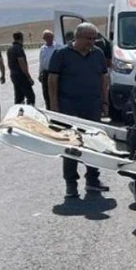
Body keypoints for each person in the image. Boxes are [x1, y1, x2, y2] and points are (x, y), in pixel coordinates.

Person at [48, 22, 111, 198]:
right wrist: (54, 105)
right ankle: (71, 183)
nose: (92, 42)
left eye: (94, 38)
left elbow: (103, 79)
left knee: (93, 144)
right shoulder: (61, 54)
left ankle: (92, 180)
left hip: (92, 106)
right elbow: (52, 80)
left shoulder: (98, 54)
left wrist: (105, 102)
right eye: (89, 38)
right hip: (68, 107)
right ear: (77, 37)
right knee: (71, 146)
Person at [7, 31, 36, 106]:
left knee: (19, 97)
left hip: (13, 75)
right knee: (30, 96)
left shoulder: (10, 49)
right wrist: (28, 77)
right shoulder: (19, 49)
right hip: (21, 75)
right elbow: (22, 63)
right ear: (21, 38)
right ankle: (29, 113)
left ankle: (18, 113)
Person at [38, 29, 59, 108]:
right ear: (44, 39)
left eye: (50, 37)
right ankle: (49, 110)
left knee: (55, 93)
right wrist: (40, 73)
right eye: (46, 37)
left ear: (53, 37)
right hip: (46, 74)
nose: (48, 39)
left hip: (56, 73)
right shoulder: (43, 49)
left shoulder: (58, 47)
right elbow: (41, 62)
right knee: (46, 95)